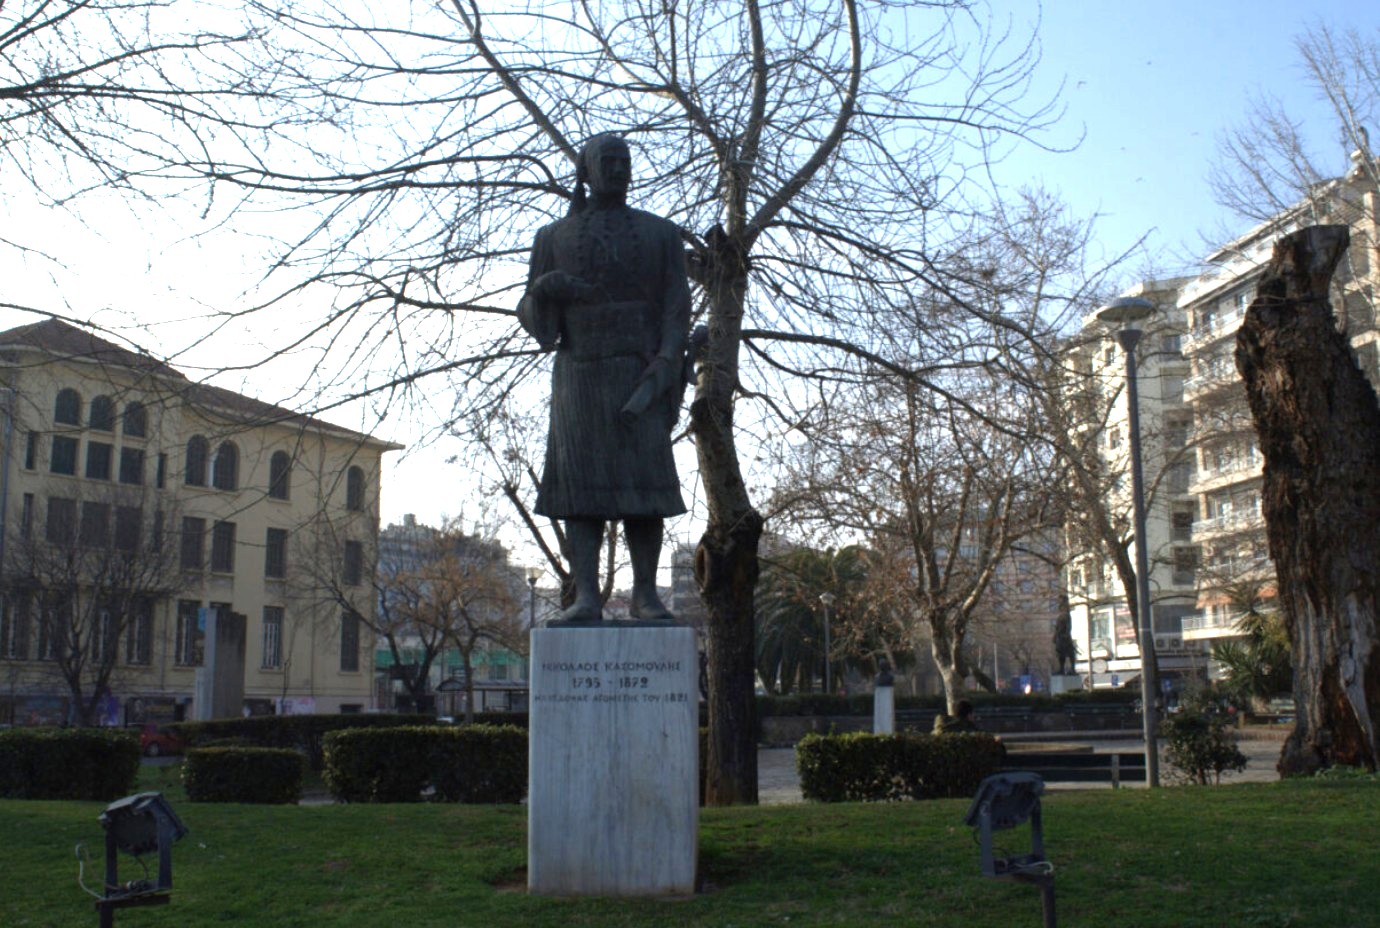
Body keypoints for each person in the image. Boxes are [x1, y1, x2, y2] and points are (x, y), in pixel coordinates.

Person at [518, 133, 691, 623]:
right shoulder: (552, 238)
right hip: (579, 374)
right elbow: (533, 318)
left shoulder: (661, 233)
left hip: (639, 370)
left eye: (624, 162)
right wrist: (545, 289)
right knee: (581, 492)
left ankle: (645, 594)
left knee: (645, 491)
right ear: (586, 171)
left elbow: (678, 307)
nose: (617, 169)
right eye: (607, 162)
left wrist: (666, 362)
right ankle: (587, 597)